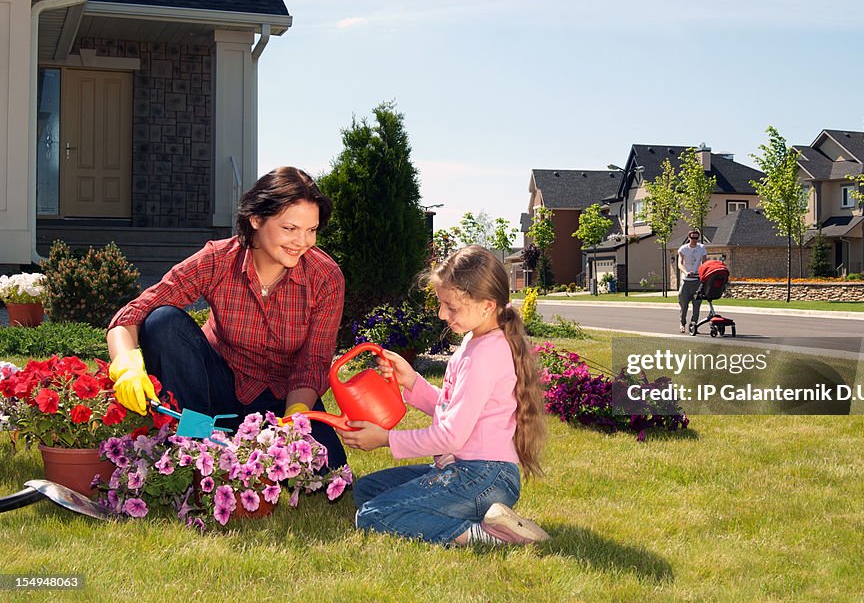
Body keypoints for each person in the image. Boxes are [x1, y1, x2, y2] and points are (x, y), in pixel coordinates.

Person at [106, 166, 347, 469]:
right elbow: (132, 315)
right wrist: (125, 365)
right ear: (256, 219)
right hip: (214, 391)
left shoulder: (325, 278)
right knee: (162, 321)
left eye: (311, 230)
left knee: (329, 469)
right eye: (290, 228)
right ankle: (197, 443)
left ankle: (240, 445)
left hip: (281, 398)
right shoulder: (218, 260)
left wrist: (293, 420)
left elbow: (313, 362)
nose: (302, 241)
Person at [341, 245, 549, 545]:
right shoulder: (476, 341)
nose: (442, 314)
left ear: (487, 305)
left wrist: (386, 439)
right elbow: (455, 406)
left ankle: (485, 536)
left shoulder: (484, 355)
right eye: (441, 304)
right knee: (367, 490)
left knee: (374, 515)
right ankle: (484, 515)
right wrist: (411, 381)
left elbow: (450, 436)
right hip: (470, 472)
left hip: (482, 477)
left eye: (451, 306)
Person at [677, 229, 708, 333]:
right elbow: (680, 264)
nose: (694, 240)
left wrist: (703, 274)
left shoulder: (702, 248)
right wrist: (686, 272)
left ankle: (693, 325)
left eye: (696, 238)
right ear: (689, 238)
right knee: (684, 304)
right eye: (692, 237)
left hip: (697, 280)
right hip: (686, 281)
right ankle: (682, 324)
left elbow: (704, 262)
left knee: (697, 304)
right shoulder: (683, 249)